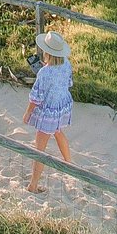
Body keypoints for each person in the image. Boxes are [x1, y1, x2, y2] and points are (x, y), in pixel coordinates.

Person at [22, 30, 74, 192]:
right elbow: (68, 83)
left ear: (47, 52)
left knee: (40, 149)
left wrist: (28, 113)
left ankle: (33, 185)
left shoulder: (44, 73)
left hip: (48, 113)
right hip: (62, 107)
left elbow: (36, 98)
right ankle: (69, 164)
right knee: (58, 132)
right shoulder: (66, 63)